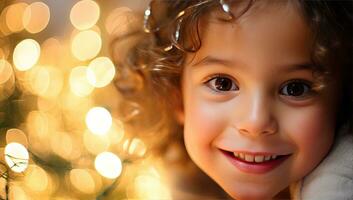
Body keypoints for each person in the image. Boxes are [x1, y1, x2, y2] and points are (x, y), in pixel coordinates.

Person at [111, 0, 352, 199]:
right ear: (177, 97)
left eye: (295, 88)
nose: (255, 122)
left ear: (342, 97)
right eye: (222, 83)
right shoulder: (170, 185)